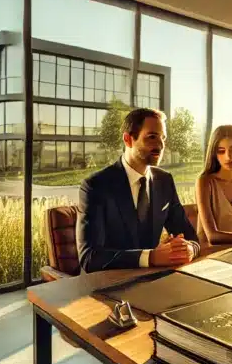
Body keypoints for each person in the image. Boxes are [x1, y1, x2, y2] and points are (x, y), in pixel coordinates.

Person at [77, 107, 201, 273]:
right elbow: (90, 257)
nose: (161, 145)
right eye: (152, 137)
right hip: (107, 286)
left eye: (163, 138)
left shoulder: (164, 181)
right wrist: (150, 257)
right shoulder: (95, 186)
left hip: (151, 282)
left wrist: (189, 249)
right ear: (128, 139)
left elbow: (191, 237)